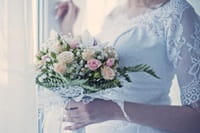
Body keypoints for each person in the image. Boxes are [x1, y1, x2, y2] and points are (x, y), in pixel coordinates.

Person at [55, 0, 200, 133]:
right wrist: (67, 30)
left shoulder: (177, 13)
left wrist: (114, 110)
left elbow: (196, 119)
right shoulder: (114, 14)